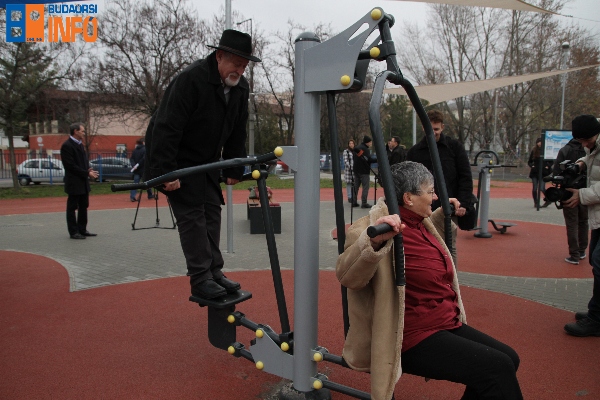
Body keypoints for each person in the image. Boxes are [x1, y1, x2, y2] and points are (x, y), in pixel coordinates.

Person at [336, 161, 523, 400]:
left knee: (509, 359)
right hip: (411, 334)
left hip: (443, 321)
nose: (434, 197)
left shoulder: (420, 222)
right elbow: (346, 275)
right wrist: (372, 242)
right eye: (430, 191)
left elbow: (420, 247)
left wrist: (444, 215)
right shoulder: (372, 228)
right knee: (496, 367)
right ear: (409, 198)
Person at [144, 29, 261, 300]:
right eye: (235, 64)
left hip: (206, 163)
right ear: (219, 56)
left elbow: (236, 131)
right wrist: (165, 171)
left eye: (244, 66)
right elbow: (166, 126)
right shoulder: (191, 79)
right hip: (177, 160)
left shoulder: (240, 88)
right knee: (193, 216)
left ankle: (214, 272)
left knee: (211, 211)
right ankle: (200, 278)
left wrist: (234, 168)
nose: (240, 71)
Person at [406, 110, 473, 263]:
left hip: (448, 206)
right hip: (423, 207)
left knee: (449, 245)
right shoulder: (415, 152)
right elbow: (409, 180)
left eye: (436, 129)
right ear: (424, 128)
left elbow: (465, 176)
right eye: (430, 129)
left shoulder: (454, 148)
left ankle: (451, 282)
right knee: (425, 244)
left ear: (442, 127)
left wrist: (463, 202)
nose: (433, 133)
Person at [562, 114, 600, 337]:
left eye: (586, 141)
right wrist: (579, 165)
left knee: (599, 263)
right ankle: (596, 312)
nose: (584, 146)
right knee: (597, 264)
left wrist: (582, 195)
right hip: (598, 217)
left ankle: (596, 319)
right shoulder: (594, 145)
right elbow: (592, 158)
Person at [60, 123, 99, 240]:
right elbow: (70, 166)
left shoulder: (80, 145)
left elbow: (83, 161)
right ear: (75, 131)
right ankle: (73, 231)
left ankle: (82, 229)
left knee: (84, 206)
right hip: (74, 182)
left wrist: (88, 169)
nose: (84, 133)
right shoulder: (67, 145)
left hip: (83, 181)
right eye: (82, 131)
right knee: (72, 207)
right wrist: (86, 173)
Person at [552, 138, 588, 265]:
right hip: (585, 191)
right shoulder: (588, 150)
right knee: (583, 221)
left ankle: (574, 254)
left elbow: (557, 171)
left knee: (572, 223)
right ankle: (582, 250)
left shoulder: (565, 150)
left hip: (568, 190)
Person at [528, 137, 552, 208]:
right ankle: (536, 202)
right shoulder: (534, 150)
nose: (540, 143)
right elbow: (529, 161)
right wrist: (532, 166)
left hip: (543, 172)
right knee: (535, 188)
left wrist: (547, 166)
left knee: (542, 187)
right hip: (535, 172)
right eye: (538, 142)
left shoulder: (546, 151)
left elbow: (551, 161)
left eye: (541, 142)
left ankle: (548, 199)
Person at [353, 135, 374, 208]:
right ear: (367, 142)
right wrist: (378, 160)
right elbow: (369, 159)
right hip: (364, 171)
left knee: (356, 186)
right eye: (370, 142)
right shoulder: (365, 149)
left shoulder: (357, 148)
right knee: (365, 187)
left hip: (356, 170)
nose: (371, 144)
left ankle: (354, 201)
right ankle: (364, 202)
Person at [342, 139, 355, 204]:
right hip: (348, 171)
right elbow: (345, 161)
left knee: (354, 184)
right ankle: (349, 197)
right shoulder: (346, 151)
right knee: (349, 184)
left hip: (355, 171)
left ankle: (354, 196)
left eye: (352, 143)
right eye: (350, 143)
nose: (351, 145)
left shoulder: (355, 151)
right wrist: (350, 167)